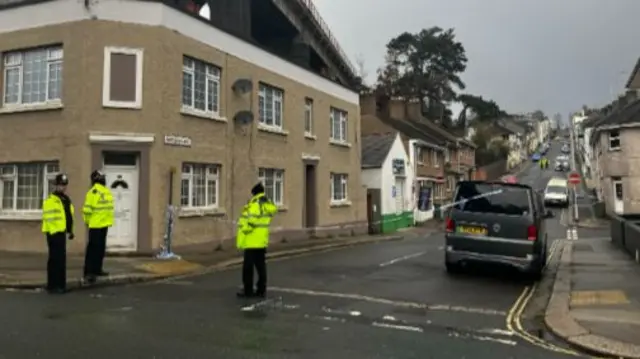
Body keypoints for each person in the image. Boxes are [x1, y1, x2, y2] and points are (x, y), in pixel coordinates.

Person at [236, 182, 278, 298]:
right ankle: (261, 289)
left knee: (248, 268)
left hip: (251, 240)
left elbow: (252, 220)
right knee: (261, 267)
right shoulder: (267, 203)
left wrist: (243, 227)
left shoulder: (255, 204)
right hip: (261, 240)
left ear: (254, 193)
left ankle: (248, 290)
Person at [41, 173, 74, 294]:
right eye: (61, 185)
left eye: (64, 185)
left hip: (62, 233)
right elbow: (48, 218)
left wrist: (70, 230)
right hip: (53, 233)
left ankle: (61, 285)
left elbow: (69, 216)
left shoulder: (66, 199)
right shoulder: (51, 200)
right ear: (56, 185)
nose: (63, 187)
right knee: (55, 260)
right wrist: (52, 232)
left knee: (61, 259)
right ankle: (53, 285)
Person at [82, 170, 114, 283]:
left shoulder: (101, 191)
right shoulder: (95, 192)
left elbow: (88, 210)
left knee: (98, 248)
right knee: (95, 248)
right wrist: (89, 222)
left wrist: (88, 222)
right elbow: (87, 210)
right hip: (97, 224)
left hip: (100, 224)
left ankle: (96, 269)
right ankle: (89, 272)